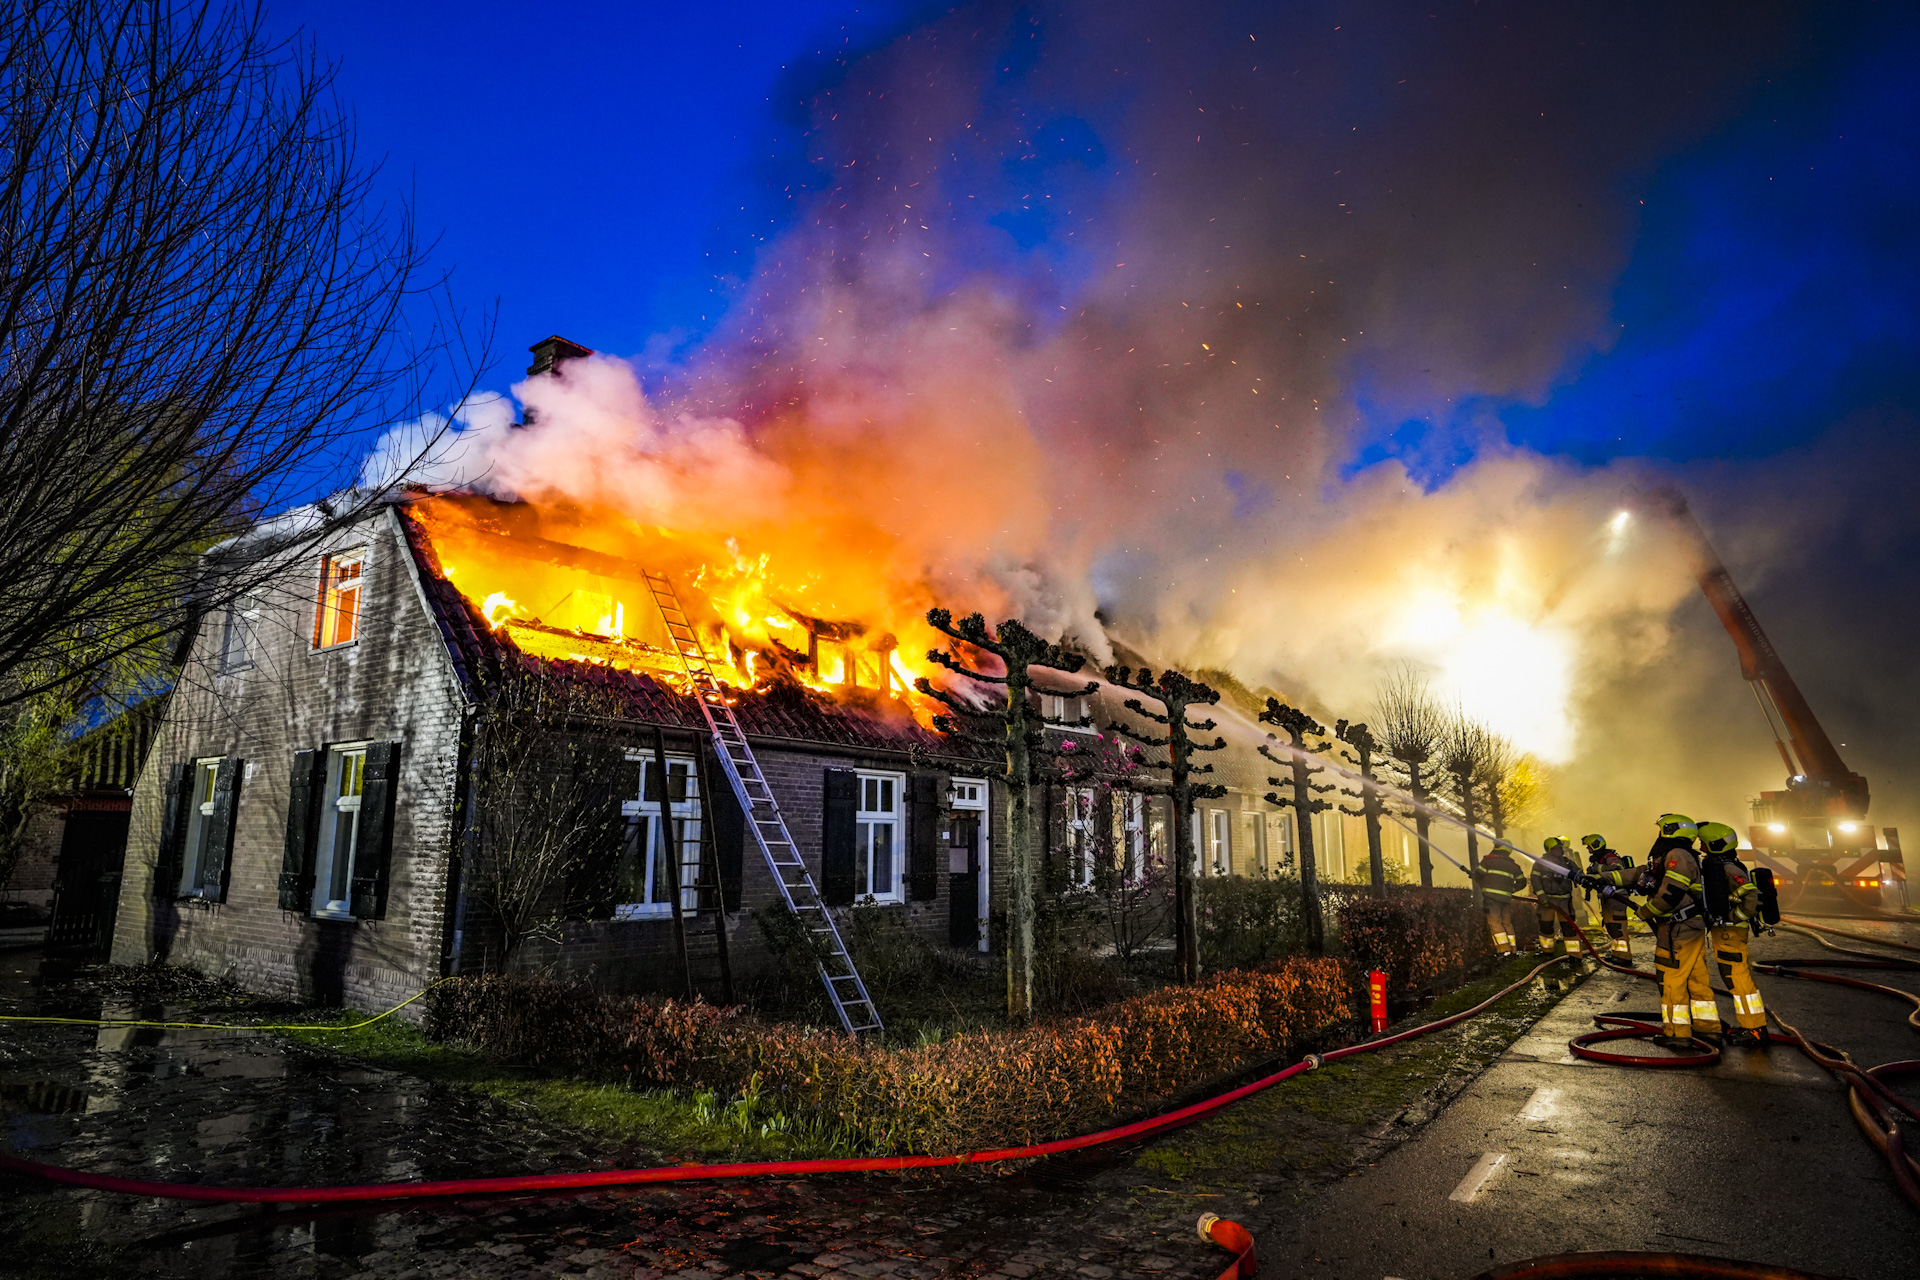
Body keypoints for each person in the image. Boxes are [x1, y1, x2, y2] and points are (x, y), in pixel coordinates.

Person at [1637, 813, 1722, 1049]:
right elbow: (1642, 874)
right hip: (1688, 926)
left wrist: (1648, 911)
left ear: (1671, 831)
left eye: (1662, 829)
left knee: (1672, 980)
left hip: (1678, 929)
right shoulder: (1682, 854)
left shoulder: (1677, 856)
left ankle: (1677, 1033)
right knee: (1696, 979)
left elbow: (1671, 892)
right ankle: (1708, 1029)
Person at [1698, 821, 1768, 1045]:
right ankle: (1752, 1026)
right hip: (1726, 934)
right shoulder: (1721, 865)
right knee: (1734, 978)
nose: (1701, 848)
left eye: (1704, 843)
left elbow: (1751, 897)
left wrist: (1731, 918)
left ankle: (1754, 1029)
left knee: (1738, 980)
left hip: (1731, 933)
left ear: (1715, 844)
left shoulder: (1727, 868)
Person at [1582, 832, 1635, 961]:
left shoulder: (1610, 857)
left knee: (1618, 928)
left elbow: (1616, 870)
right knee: (1612, 927)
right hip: (1608, 897)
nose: (1588, 850)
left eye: (1589, 847)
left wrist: (1597, 869)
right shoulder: (1598, 859)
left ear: (1595, 845)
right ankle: (1617, 954)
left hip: (1617, 896)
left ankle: (1625, 956)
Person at [1530, 836, 1579, 956]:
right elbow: (1535, 880)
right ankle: (1547, 951)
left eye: (1559, 848)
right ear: (1548, 849)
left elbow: (1579, 874)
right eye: (1555, 849)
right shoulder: (1540, 863)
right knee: (1546, 928)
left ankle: (1575, 956)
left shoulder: (1568, 862)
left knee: (1569, 929)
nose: (1558, 851)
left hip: (1565, 902)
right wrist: (1542, 897)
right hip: (1548, 901)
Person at [1477, 843, 1527, 956]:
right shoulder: (1513, 865)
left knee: (1495, 923)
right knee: (1507, 923)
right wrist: (1511, 889)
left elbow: (1478, 875)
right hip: (1506, 899)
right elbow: (1522, 882)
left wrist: (1484, 884)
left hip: (1491, 898)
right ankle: (1513, 950)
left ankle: (1504, 950)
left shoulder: (1488, 860)